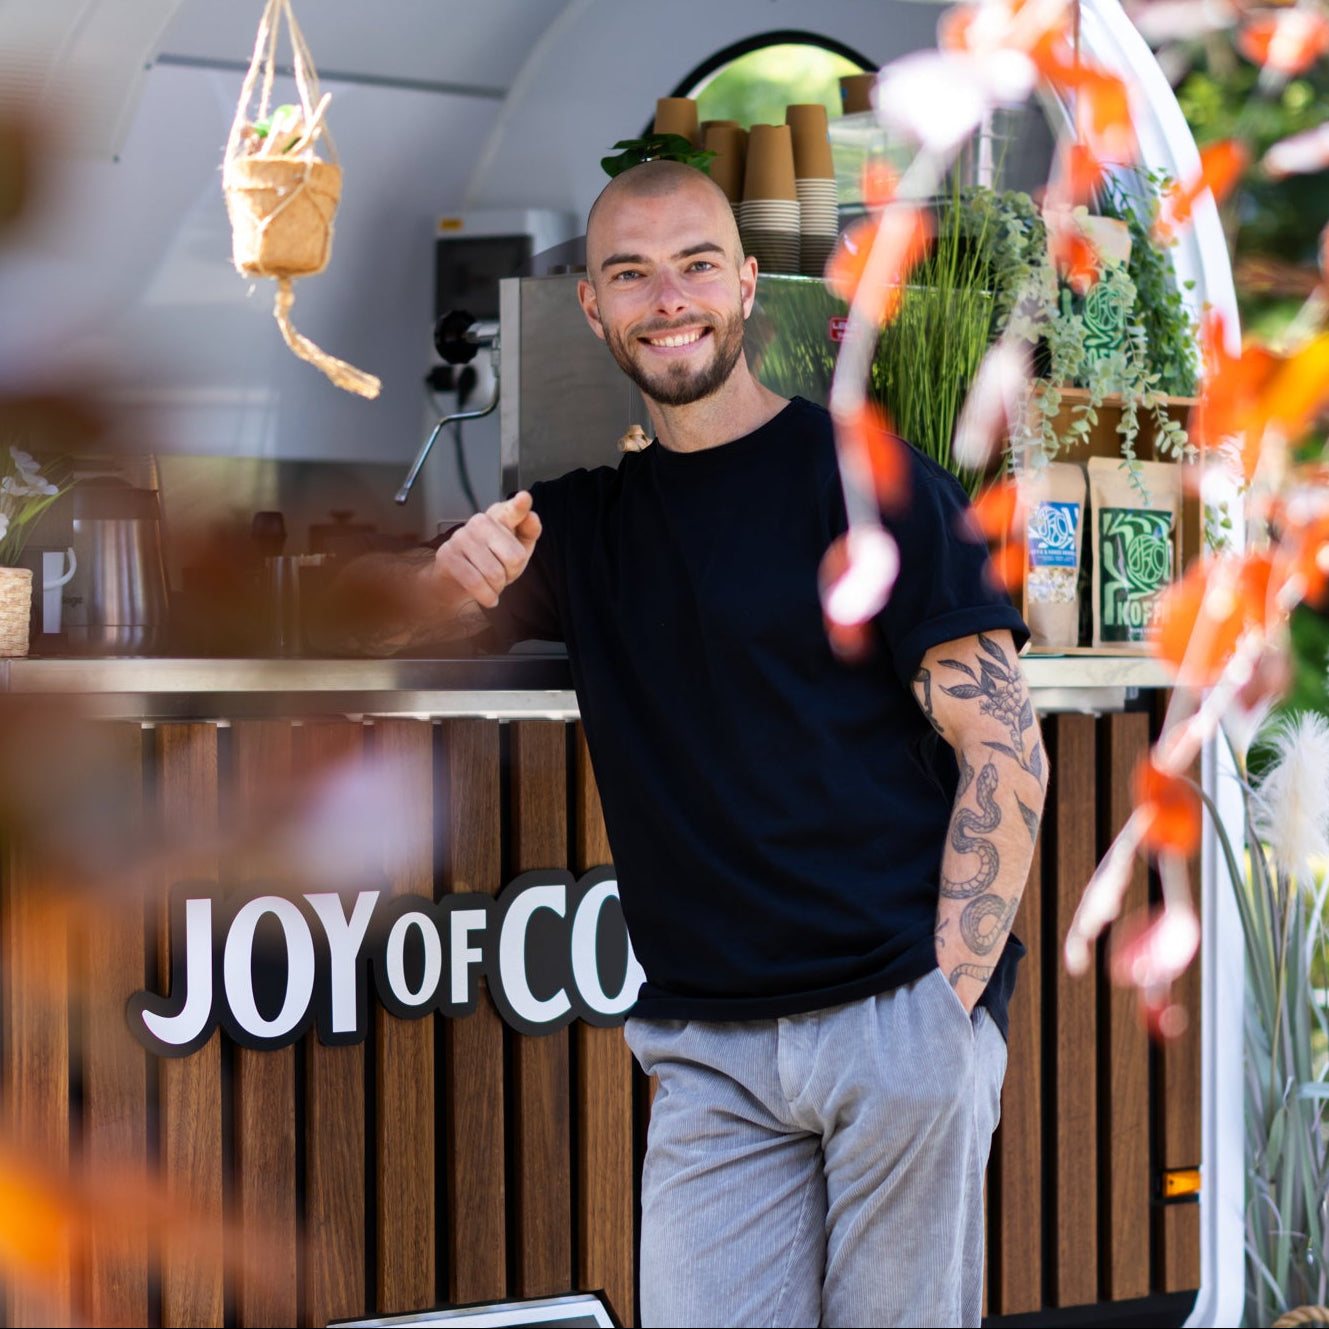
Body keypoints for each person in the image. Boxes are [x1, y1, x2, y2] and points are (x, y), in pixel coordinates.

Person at [338, 160, 1047, 1328]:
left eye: (696, 265)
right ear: (593, 307)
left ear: (747, 284)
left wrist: (943, 1007)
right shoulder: (578, 527)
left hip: (893, 1021)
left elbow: (1005, 746)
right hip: (710, 1056)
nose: (669, 299)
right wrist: (441, 576)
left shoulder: (868, 484)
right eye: (632, 274)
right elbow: (353, 628)